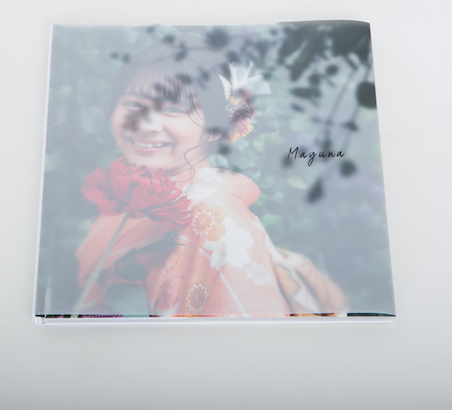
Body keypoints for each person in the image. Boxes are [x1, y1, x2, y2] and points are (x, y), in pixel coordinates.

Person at [74, 44, 346, 317]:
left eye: (173, 109)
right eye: (133, 104)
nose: (144, 123)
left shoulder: (218, 222)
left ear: (216, 127)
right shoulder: (124, 197)